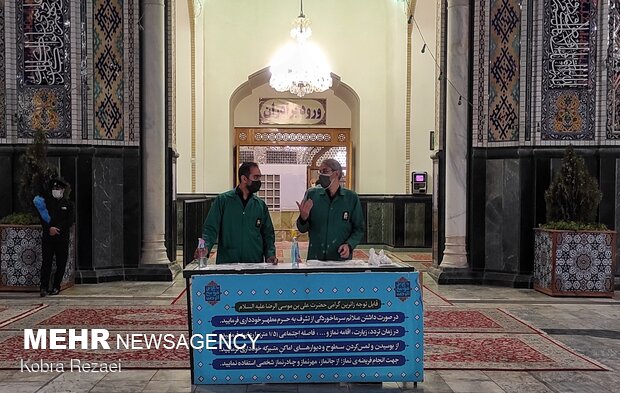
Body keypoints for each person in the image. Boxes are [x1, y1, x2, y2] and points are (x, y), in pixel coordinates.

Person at [201, 162, 277, 264]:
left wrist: (270, 254)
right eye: (255, 177)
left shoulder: (260, 205)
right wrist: (205, 248)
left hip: (254, 262)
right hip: (228, 262)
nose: (259, 181)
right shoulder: (223, 201)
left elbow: (268, 234)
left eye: (259, 177)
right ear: (244, 179)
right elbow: (210, 228)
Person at [296, 159, 365, 261]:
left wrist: (349, 245)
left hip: (339, 258)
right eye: (320, 171)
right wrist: (303, 218)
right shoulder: (312, 195)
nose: (321, 175)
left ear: (336, 173)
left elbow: (359, 229)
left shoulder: (351, 198)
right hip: (316, 257)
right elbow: (302, 229)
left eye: (325, 171)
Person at [34, 177, 74, 297]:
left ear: (63, 190)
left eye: (58, 188)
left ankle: (56, 286)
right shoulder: (46, 203)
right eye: (54, 188)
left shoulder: (68, 204)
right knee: (46, 263)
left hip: (62, 238)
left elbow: (69, 221)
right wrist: (49, 229)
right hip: (48, 238)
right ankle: (44, 287)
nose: (56, 190)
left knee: (61, 263)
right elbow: (42, 218)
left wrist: (57, 229)